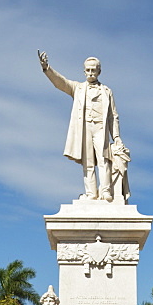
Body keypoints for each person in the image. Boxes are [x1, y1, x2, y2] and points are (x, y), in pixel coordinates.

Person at [38, 51, 123, 202]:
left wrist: (116, 137)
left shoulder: (106, 91)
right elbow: (61, 82)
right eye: (88, 70)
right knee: (88, 162)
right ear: (84, 71)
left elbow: (112, 116)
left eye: (93, 70)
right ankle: (91, 193)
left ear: (99, 71)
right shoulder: (77, 88)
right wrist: (47, 68)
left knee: (104, 160)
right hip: (85, 127)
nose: (90, 73)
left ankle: (105, 191)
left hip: (100, 128)